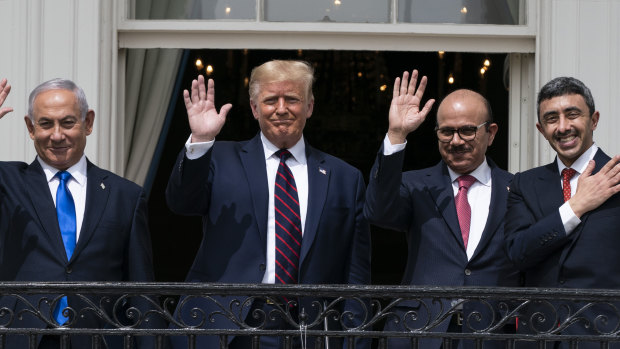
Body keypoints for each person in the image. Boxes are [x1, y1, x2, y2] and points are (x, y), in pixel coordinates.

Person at [165, 60, 371, 349]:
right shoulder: (219, 158)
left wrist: (354, 340)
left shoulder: (344, 177)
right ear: (254, 108)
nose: (282, 109)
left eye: (293, 100)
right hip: (227, 325)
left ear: (309, 107)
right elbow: (181, 203)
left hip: (309, 329)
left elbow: (355, 272)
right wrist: (200, 140)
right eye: (271, 100)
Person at [365, 70, 521, 348]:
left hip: (493, 333)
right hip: (420, 331)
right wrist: (397, 134)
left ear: (491, 133)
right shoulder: (416, 185)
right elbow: (378, 211)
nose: (456, 141)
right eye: (446, 131)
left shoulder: (517, 189)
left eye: (468, 130)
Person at [0, 78, 158, 349]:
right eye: (46, 123)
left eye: (68, 122)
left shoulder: (125, 196)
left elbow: (141, 289)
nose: (57, 135)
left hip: (100, 339)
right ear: (30, 127)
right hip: (22, 337)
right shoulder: (8, 183)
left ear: (88, 122)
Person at [504, 77, 620, 348]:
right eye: (551, 118)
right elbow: (518, 252)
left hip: (607, 337)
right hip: (539, 337)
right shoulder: (525, 184)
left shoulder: (616, 176)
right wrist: (576, 206)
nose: (563, 127)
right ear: (541, 129)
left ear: (594, 120)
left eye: (573, 114)